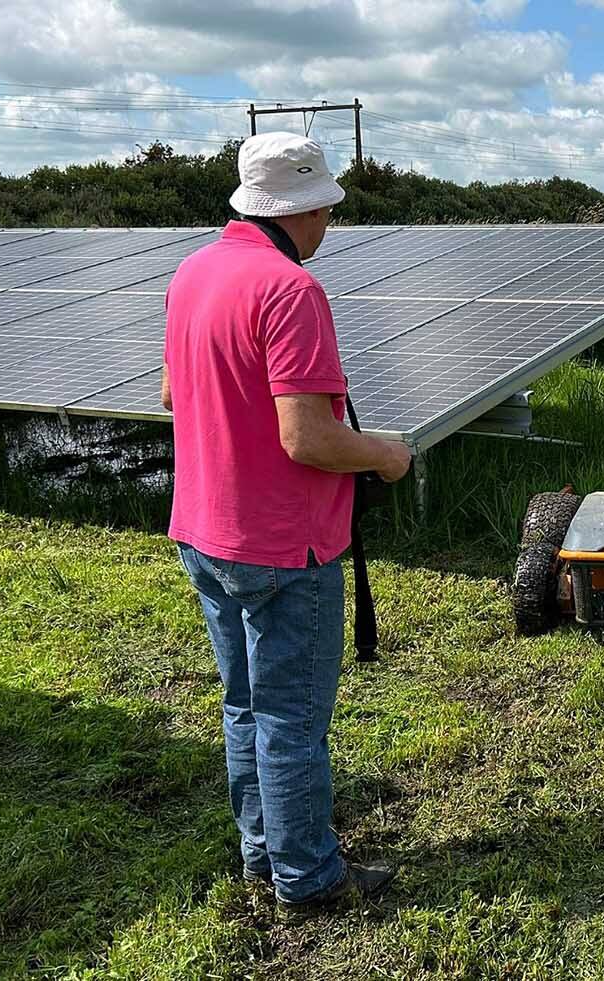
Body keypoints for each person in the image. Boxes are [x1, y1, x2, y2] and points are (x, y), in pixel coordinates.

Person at [160, 132, 412, 919]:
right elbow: (307, 437)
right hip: (281, 545)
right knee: (293, 719)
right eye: (326, 207)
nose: (330, 221)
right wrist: (386, 454)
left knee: (244, 705)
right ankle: (307, 876)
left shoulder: (192, 273)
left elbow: (173, 396)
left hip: (203, 531)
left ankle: (263, 853)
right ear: (303, 210)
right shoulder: (289, 290)